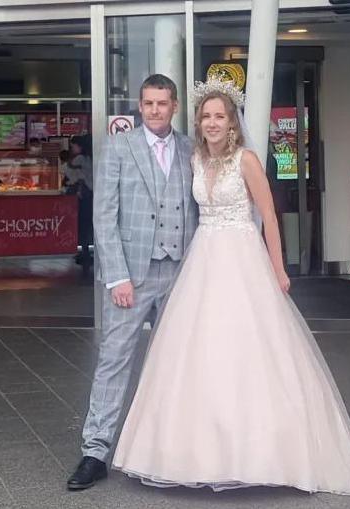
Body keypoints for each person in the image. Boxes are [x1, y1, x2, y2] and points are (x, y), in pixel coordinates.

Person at [110, 79, 350, 494]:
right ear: (198, 121)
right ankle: (195, 453)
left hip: (243, 257)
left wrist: (277, 268)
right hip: (203, 259)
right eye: (206, 116)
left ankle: (268, 453)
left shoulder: (245, 160)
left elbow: (268, 214)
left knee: (254, 348)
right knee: (199, 349)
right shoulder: (195, 159)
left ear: (232, 123)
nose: (212, 123)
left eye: (220, 116)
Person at [67, 74, 198, 490]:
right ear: (139, 107)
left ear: (174, 106)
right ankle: (95, 451)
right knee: (114, 360)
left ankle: (175, 447)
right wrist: (117, 277)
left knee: (178, 363)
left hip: (180, 273)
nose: (155, 110)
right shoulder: (119, 147)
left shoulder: (190, 149)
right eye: (148, 103)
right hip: (132, 278)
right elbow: (103, 216)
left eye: (162, 103)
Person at [68, 135, 94, 268]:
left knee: (83, 224)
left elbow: (70, 172)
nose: (72, 149)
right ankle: (86, 251)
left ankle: (84, 252)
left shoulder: (79, 159)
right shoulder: (89, 157)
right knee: (88, 224)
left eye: (74, 146)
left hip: (84, 195)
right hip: (91, 194)